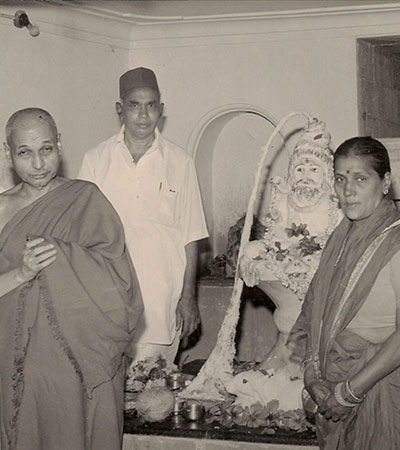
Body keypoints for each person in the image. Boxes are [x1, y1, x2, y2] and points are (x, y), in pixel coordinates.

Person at [0, 108, 143, 450]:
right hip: (18, 360)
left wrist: (61, 254)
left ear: (60, 146)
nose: (38, 164)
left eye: (46, 149)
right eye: (25, 153)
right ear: (8, 154)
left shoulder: (86, 198)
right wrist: (22, 272)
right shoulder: (1, 209)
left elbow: (120, 284)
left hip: (78, 361)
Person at [78, 67, 208, 365]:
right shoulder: (95, 160)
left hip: (161, 304)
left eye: (151, 106)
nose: (143, 115)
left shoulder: (180, 162)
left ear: (160, 110)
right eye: (134, 106)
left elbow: (191, 237)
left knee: (155, 397)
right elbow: (83, 236)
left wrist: (188, 298)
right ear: (120, 109)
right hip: (109, 305)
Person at [292, 136, 400, 449]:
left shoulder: (395, 241)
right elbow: (317, 315)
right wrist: (312, 377)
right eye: (340, 179)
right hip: (331, 380)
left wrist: (349, 392)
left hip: (376, 385)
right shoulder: (341, 237)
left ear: (385, 182)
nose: (347, 190)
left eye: (360, 178)